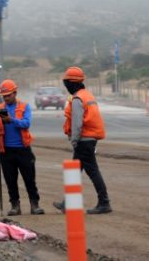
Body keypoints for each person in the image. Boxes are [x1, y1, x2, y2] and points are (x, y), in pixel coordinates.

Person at [53, 66, 112, 214]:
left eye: (66, 84)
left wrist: (74, 140)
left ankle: (104, 203)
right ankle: (67, 203)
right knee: (75, 170)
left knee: (92, 171)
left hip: (84, 140)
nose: (66, 87)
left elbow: (77, 123)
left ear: (72, 83)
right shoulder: (88, 95)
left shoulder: (78, 98)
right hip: (89, 139)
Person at [0, 79, 45, 216]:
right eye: (4, 96)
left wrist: (11, 120)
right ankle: (15, 206)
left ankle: (34, 205)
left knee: (29, 179)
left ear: (15, 93)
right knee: (10, 180)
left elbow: (26, 123)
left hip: (23, 150)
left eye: (9, 95)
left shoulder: (25, 107)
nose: (6, 98)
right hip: (5, 151)